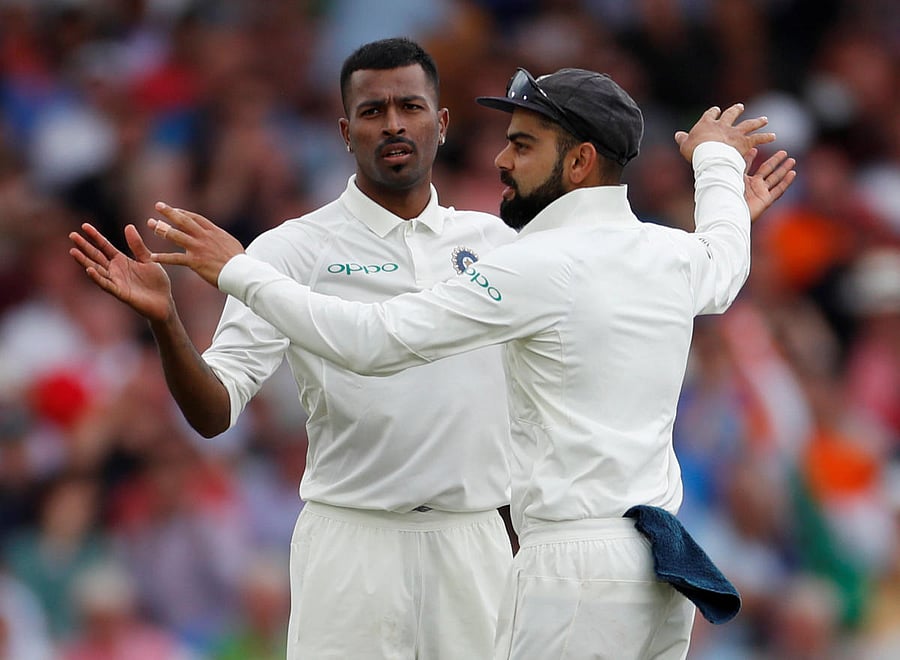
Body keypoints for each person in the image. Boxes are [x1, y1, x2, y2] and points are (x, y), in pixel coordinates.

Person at [110, 66, 797, 659]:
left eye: (524, 146)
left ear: (581, 161)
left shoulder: (529, 265)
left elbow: (373, 341)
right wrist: (715, 160)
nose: (501, 162)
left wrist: (240, 271)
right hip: (657, 571)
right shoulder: (671, 255)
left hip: (569, 570)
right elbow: (725, 257)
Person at [69, 37, 519, 659]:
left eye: (410, 106)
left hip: (475, 538)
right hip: (353, 540)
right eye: (372, 110)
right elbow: (214, 410)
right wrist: (167, 321)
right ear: (344, 130)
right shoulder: (290, 251)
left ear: (441, 124)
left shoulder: (497, 245)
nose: (393, 123)